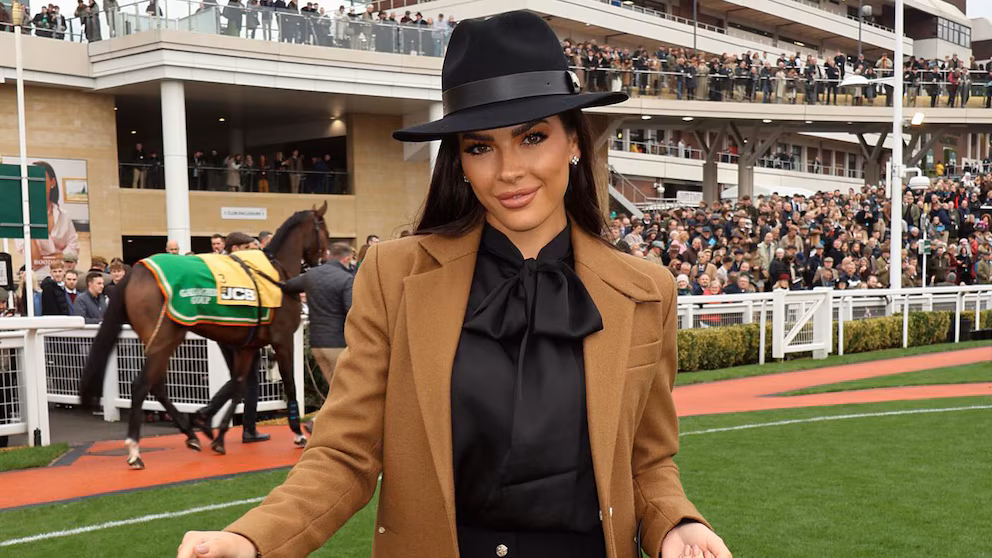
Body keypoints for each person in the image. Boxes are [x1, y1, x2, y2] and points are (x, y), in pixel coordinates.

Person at [178, 11, 729, 558]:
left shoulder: (647, 290)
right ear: (460, 161)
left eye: (533, 137)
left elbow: (647, 462)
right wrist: (252, 539)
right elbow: (344, 454)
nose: (508, 170)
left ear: (574, 142)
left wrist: (675, 524)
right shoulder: (393, 276)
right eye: (480, 147)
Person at [218, 231, 269, 443]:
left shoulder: (219, 267)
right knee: (247, 380)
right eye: (247, 248)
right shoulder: (239, 269)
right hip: (242, 332)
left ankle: (245, 427)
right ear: (236, 249)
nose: (251, 252)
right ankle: (247, 429)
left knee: (241, 380)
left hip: (225, 331)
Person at [283, 242, 354, 391]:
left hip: (317, 342)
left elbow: (288, 286)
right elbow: (351, 312)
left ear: (329, 255)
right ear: (347, 258)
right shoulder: (347, 279)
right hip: (338, 342)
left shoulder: (312, 274)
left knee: (334, 389)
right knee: (346, 389)